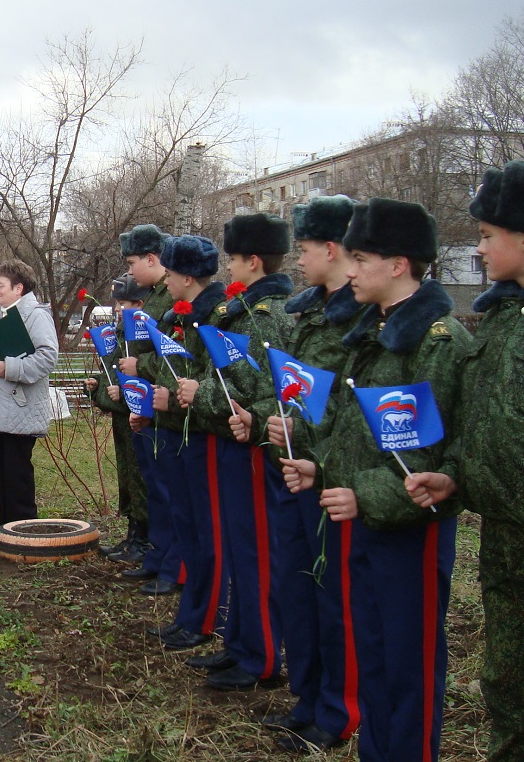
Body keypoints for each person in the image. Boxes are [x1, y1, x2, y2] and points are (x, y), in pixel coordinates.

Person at [282, 199, 472, 762]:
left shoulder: (435, 342)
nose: (351, 270)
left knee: (407, 665)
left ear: (399, 264)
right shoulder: (372, 335)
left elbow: (430, 458)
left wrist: (362, 492)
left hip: (408, 533)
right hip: (360, 523)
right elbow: (352, 430)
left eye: (362, 258)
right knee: (374, 656)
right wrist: (322, 468)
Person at [405, 160, 524, 762]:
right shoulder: (506, 319)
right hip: (506, 535)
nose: (477, 249)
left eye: (486, 235)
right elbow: (489, 423)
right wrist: (456, 475)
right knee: (506, 681)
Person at [258, 195, 364, 752]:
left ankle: (338, 710)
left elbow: (351, 409)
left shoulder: (360, 315)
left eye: (304, 249)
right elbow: (298, 389)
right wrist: (280, 423)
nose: (298, 259)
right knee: (295, 587)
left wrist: (312, 447)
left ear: (332, 248)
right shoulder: (303, 312)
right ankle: (308, 695)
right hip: (294, 470)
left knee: (334, 597)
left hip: (332, 478)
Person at [177, 213, 293, 690]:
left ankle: (261, 654)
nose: (228, 267)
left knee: (254, 552)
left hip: (253, 448)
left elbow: (259, 391)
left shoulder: (267, 319)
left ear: (254, 260)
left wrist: (198, 394)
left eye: (234, 258)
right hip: (233, 441)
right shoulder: (243, 313)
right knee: (240, 549)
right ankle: (240, 643)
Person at [129, 236, 228, 641]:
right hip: (177, 432)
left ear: (187, 277)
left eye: (170, 273)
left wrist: (178, 398)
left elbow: (212, 378)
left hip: (204, 435)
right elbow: (166, 366)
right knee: (188, 527)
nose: (165, 280)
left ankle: (206, 619)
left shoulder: (216, 318)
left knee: (206, 535)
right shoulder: (178, 316)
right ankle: (192, 617)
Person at [0, 260, 58, 539]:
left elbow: (47, 357)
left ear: (19, 288)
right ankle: (5, 530)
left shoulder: (35, 315)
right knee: (3, 475)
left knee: (17, 477)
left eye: (0, 285)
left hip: (20, 408)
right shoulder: (0, 314)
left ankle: (24, 532)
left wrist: (11, 368)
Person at [116, 225, 179, 579]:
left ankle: (160, 553)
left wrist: (140, 366)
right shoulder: (157, 296)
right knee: (148, 481)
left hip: (161, 402)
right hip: (145, 402)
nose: (129, 271)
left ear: (152, 259)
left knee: (162, 486)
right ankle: (151, 547)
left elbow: (169, 355)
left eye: (132, 262)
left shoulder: (168, 299)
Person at [84, 275, 150, 560]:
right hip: (122, 419)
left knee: (139, 478)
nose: (118, 309)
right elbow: (112, 374)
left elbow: (140, 378)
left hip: (138, 420)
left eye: (124, 303)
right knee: (126, 476)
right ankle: (131, 535)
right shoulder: (120, 334)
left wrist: (120, 393)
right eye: (117, 303)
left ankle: (143, 539)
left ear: (140, 303)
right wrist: (97, 386)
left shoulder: (142, 335)